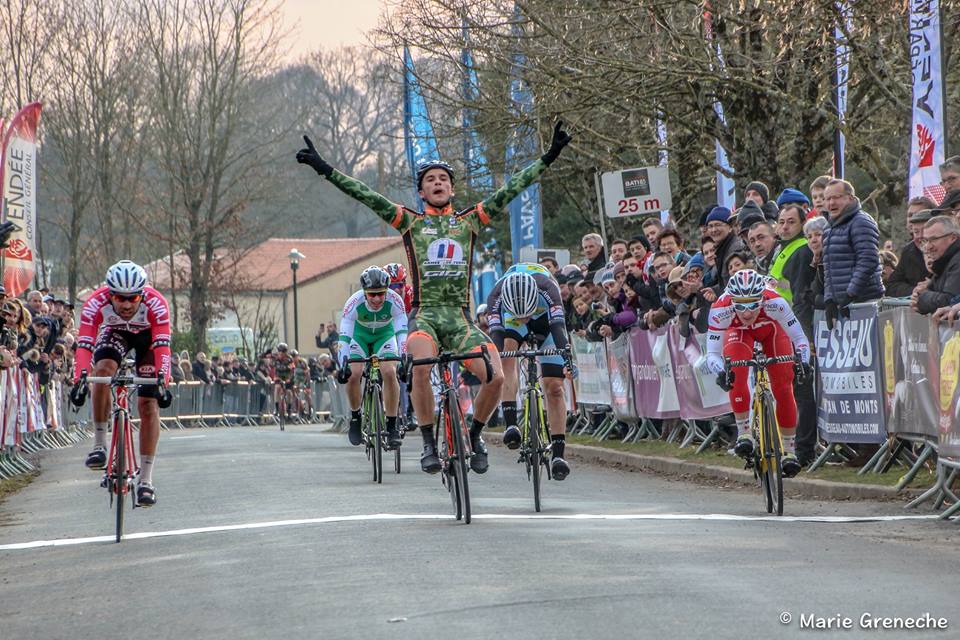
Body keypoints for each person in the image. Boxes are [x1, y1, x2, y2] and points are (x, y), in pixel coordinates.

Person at [297, 121, 572, 474]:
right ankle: (428, 442)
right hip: (425, 317)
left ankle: (474, 435)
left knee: (496, 377)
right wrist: (325, 170)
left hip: (460, 319)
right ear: (422, 192)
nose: (438, 182)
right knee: (423, 365)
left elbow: (511, 189)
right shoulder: (409, 222)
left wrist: (548, 157)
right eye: (430, 180)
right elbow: (365, 194)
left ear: (452, 189)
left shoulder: (470, 221)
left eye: (443, 178)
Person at [72, 260, 172, 507]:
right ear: (109, 294)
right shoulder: (95, 303)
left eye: (133, 298)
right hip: (115, 333)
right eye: (119, 298)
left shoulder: (157, 304)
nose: (126, 304)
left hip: (148, 339)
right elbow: (84, 344)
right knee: (102, 371)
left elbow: (163, 347)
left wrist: (164, 382)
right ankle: (99, 444)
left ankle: (146, 481)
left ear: (142, 294)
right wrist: (80, 380)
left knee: (148, 404)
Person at [706, 269, 812, 478]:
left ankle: (789, 452)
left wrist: (803, 361)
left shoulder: (776, 302)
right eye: (740, 306)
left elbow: (800, 339)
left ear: (762, 299)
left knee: (783, 387)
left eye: (753, 304)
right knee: (735, 372)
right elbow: (712, 353)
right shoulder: (721, 308)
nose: (747, 313)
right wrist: (721, 371)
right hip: (739, 335)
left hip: (772, 331)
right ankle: (744, 433)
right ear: (732, 301)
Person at [485, 263, 574, 480]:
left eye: (527, 314)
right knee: (506, 355)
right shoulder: (495, 296)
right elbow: (495, 337)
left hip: (546, 320)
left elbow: (559, 329)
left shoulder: (549, 289)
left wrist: (566, 358)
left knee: (554, 387)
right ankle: (511, 424)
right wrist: (493, 362)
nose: (525, 318)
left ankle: (558, 455)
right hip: (511, 321)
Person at [336, 266, 408, 448]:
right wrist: (342, 363)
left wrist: (404, 358)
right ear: (364, 292)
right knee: (354, 373)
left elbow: (402, 332)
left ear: (387, 291)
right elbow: (344, 337)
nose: (377, 299)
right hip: (359, 336)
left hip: (384, 335)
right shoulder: (354, 302)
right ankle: (355, 416)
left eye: (381, 294)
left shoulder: (395, 300)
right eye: (372, 294)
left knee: (390, 372)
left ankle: (392, 425)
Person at [821, 179, 884, 328]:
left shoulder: (861, 221)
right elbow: (828, 268)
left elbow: (868, 260)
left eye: (836, 197)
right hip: (843, 305)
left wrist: (850, 294)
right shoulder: (827, 228)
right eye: (828, 199)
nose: (831, 203)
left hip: (865, 302)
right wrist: (829, 299)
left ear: (850, 198)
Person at [885, 198, 936, 297]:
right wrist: (916, 290)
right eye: (910, 215)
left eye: (925, 229)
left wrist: (932, 287)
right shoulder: (908, 251)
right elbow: (892, 287)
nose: (920, 237)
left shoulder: (949, 250)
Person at [913, 216, 960, 315]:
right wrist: (918, 297)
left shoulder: (957, 260)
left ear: (953, 238)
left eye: (934, 239)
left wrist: (922, 297)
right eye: (926, 240)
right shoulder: (943, 261)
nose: (928, 246)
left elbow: (949, 301)